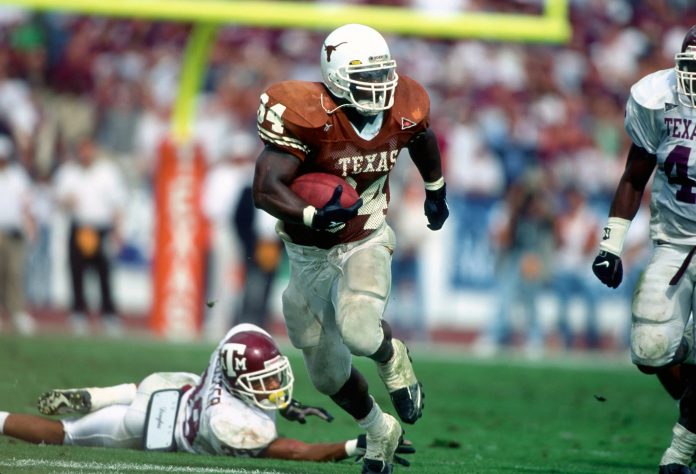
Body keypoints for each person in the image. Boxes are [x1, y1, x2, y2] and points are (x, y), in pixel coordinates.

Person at [252, 23, 448, 474]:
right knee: (325, 375)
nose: (380, 88)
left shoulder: (406, 105)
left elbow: (421, 137)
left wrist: (435, 189)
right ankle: (379, 429)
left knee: (360, 330)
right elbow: (264, 188)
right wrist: (310, 215)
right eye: (367, 77)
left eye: (384, 76)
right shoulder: (306, 113)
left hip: (365, 236)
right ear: (336, 77)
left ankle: (392, 357)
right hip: (307, 252)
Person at [0, 323, 414, 465]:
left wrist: (283, 403)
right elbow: (296, 452)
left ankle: (111, 393)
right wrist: (354, 444)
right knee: (65, 434)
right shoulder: (232, 423)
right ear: (241, 383)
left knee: (150, 387)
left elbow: (243, 347)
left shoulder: (230, 350)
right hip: (154, 424)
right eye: (267, 382)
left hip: (176, 390)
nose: (276, 386)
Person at [591, 25, 696, 474]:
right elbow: (635, 176)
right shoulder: (658, 99)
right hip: (674, 242)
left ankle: (683, 447)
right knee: (651, 347)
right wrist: (610, 244)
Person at [54, 134, 127, 336]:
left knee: (103, 272)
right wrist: (66, 201)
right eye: (82, 149)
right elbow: (58, 199)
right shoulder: (69, 173)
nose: (85, 154)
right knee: (77, 271)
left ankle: (108, 314)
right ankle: (78, 312)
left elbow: (118, 203)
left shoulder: (107, 173)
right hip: (79, 226)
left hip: (100, 227)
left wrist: (118, 229)